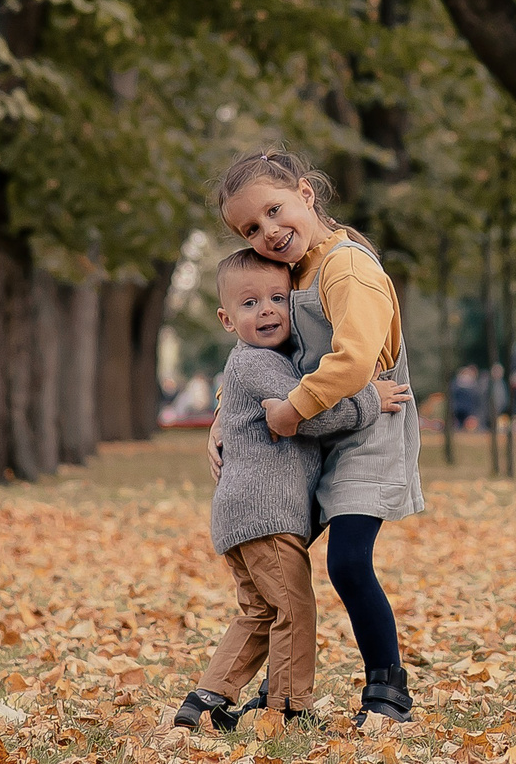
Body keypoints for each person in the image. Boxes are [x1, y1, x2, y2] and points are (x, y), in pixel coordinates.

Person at [210, 147, 425, 726]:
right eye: (251, 228)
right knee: (284, 572)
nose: (269, 232)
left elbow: (355, 360)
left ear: (306, 194)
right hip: (316, 440)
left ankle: (387, 690)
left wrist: (292, 411)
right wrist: (226, 416)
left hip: (369, 431)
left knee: (349, 563)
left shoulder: (347, 267)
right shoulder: (293, 272)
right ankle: (282, 693)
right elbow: (261, 355)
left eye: (276, 211)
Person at [173, 250, 382, 732]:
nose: (266, 309)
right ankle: (289, 706)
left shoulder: (253, 363)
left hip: (240, 516)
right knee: (293, 608)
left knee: (260, 612)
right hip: (264, 516)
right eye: (250, 303)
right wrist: (370, 399)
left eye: (277, 298)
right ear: (227, 319)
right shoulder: (258, 364)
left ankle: (206, 699)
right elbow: (307, 416)